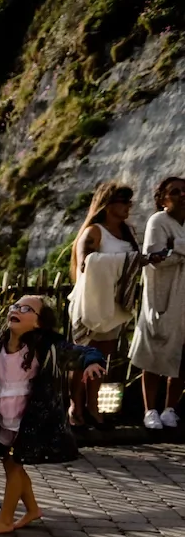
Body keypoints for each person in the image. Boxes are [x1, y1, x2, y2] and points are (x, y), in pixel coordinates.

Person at [0, 295, 106, 535]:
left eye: (26, 309)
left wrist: (91, 362)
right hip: (3, 416)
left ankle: (5, 520)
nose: (17, 309)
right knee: (9, 462)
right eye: (15, 306)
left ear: (39, 323)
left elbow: (82, 351)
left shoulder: (47, 346)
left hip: (31, 418)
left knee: (15, 465)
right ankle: (33, 509)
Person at [66, 182, 140, 427]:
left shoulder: (128, 233)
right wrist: (126, 260)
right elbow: (87, 263)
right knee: (81, 357)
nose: (128, 206)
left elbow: (135, 261)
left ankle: (93, 405)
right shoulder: (94, 231)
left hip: (114, 304)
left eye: (129, 201)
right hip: (91, 302)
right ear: (109, 205)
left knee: (101, 358)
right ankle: (75, 406)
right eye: (123, 201)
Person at [128, 176, 185, 428]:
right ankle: (150, 409)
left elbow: (171, 253)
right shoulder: (158, 221)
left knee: (182, 355)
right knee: (153, 351)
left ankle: (170, 408)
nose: (182, 195)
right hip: (161, 295)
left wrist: (177, 246)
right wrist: (174, 252)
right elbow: (156, 257)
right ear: (163, 198)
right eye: (175, 192)